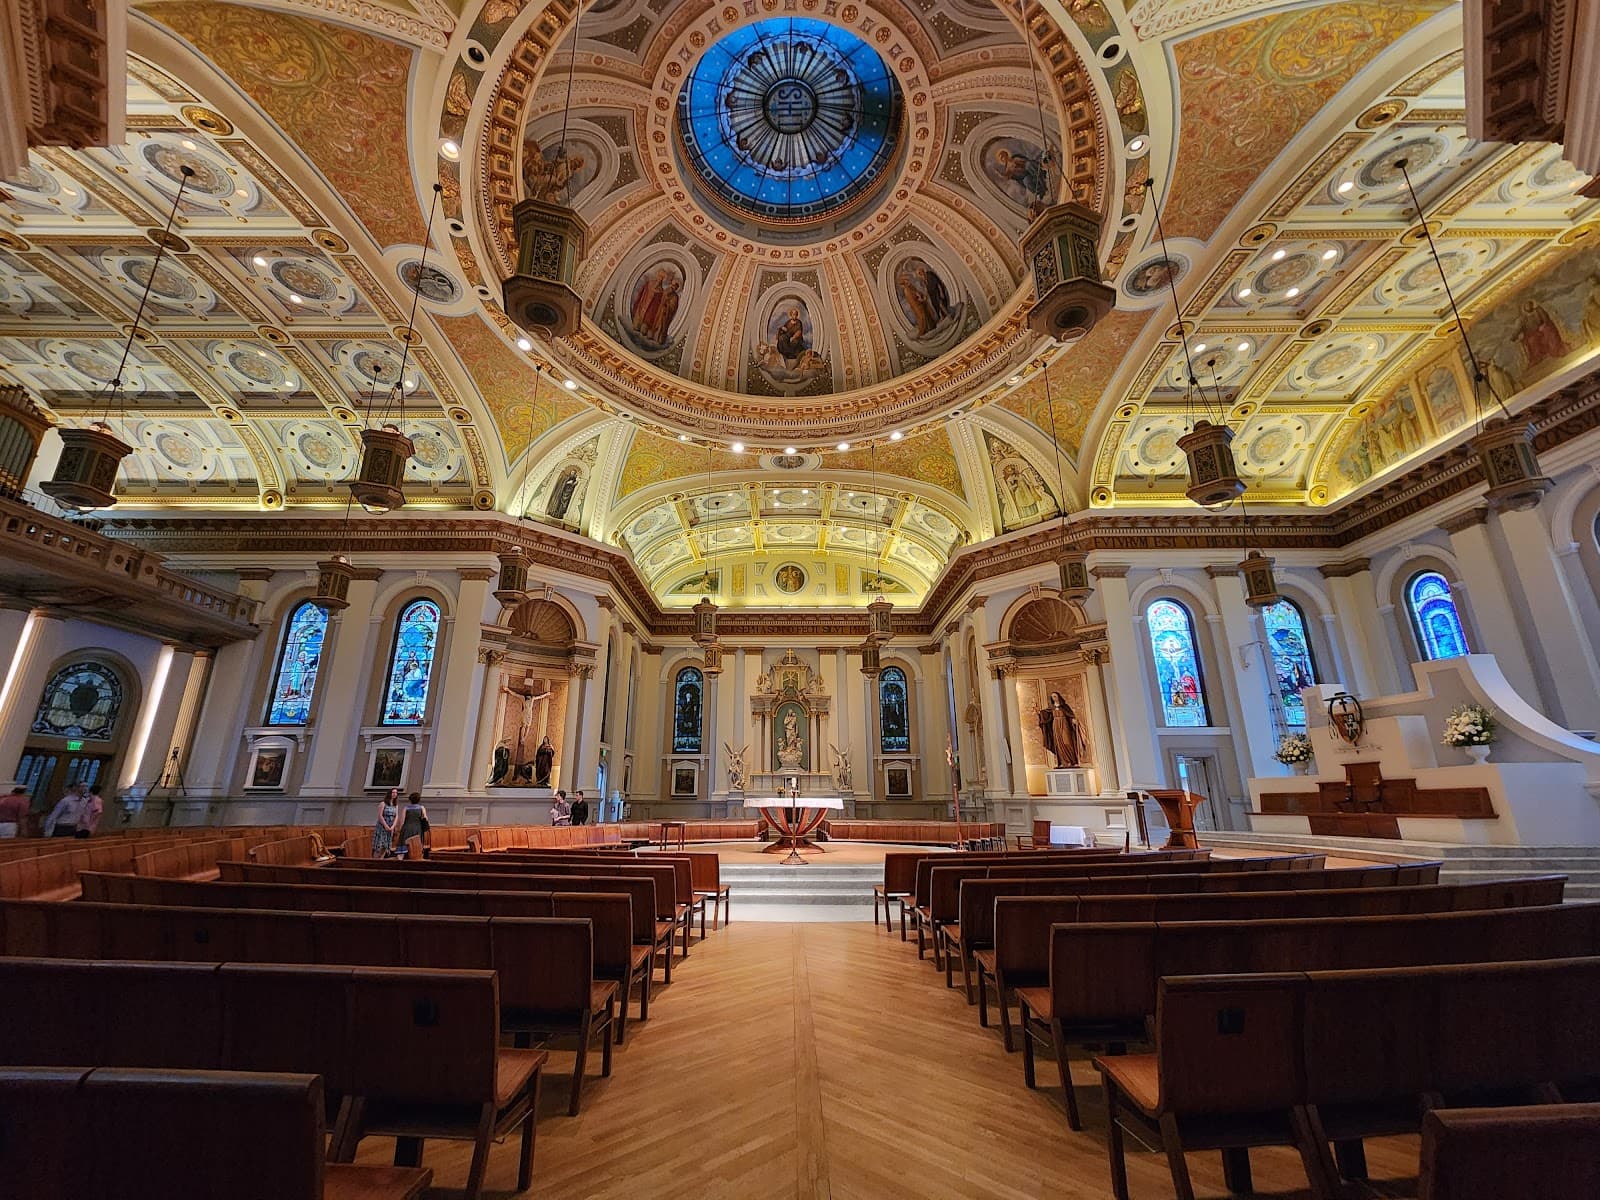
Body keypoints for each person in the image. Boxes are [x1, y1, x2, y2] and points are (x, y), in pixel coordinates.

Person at [395, 792, 429, 857]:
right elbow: (425, 818)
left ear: (410, 800)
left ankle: (399, 862)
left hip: (407, 828)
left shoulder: (406, 808)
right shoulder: (421, 808)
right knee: (416, 846)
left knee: (403, 848)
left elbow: (402, 820)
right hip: (417, 828)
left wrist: (400, 829)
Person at [372, 788, 400, 858]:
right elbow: (380, 816)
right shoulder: (383, 803)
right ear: (389, 793)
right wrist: (385, 825)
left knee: (386, 845)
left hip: (390, 827)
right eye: (393, 792)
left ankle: (381, 859)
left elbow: (396, 816)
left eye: (396, 793)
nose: (394, 794)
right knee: (379, 845)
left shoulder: (395, 805)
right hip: (382, 826)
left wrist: (393, 826)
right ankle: (375, 861)